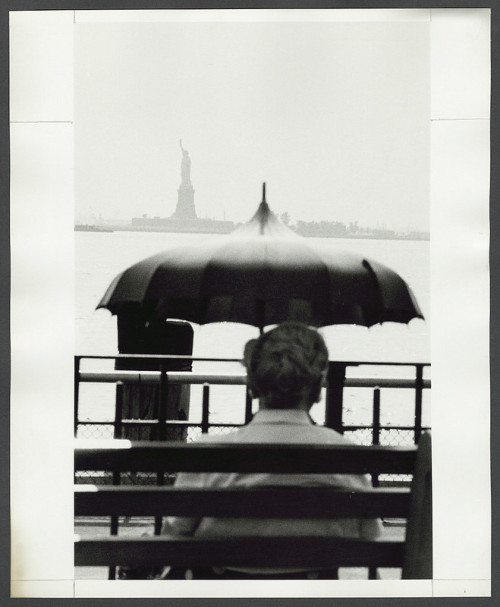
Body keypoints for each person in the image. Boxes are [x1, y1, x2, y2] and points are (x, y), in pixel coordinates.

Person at [154, 322, 382, 580]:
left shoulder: (209, 453)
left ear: (252, 384)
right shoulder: (347, 456)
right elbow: (369, 537)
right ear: (318, 388)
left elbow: (175, 535)